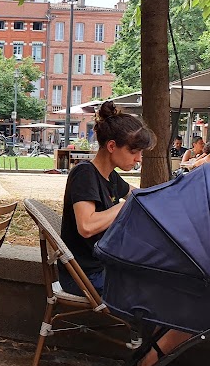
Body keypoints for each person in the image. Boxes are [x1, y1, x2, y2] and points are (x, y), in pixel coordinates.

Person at [60, 101, 156, 297]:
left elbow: (138, 195)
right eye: (133, 151)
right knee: (158, 294)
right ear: (112, 146)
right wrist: (128, 204)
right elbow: (86, 226)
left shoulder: (110, 176)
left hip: (104, 267)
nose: (138, 159)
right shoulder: (85, 173)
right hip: (84, 277)